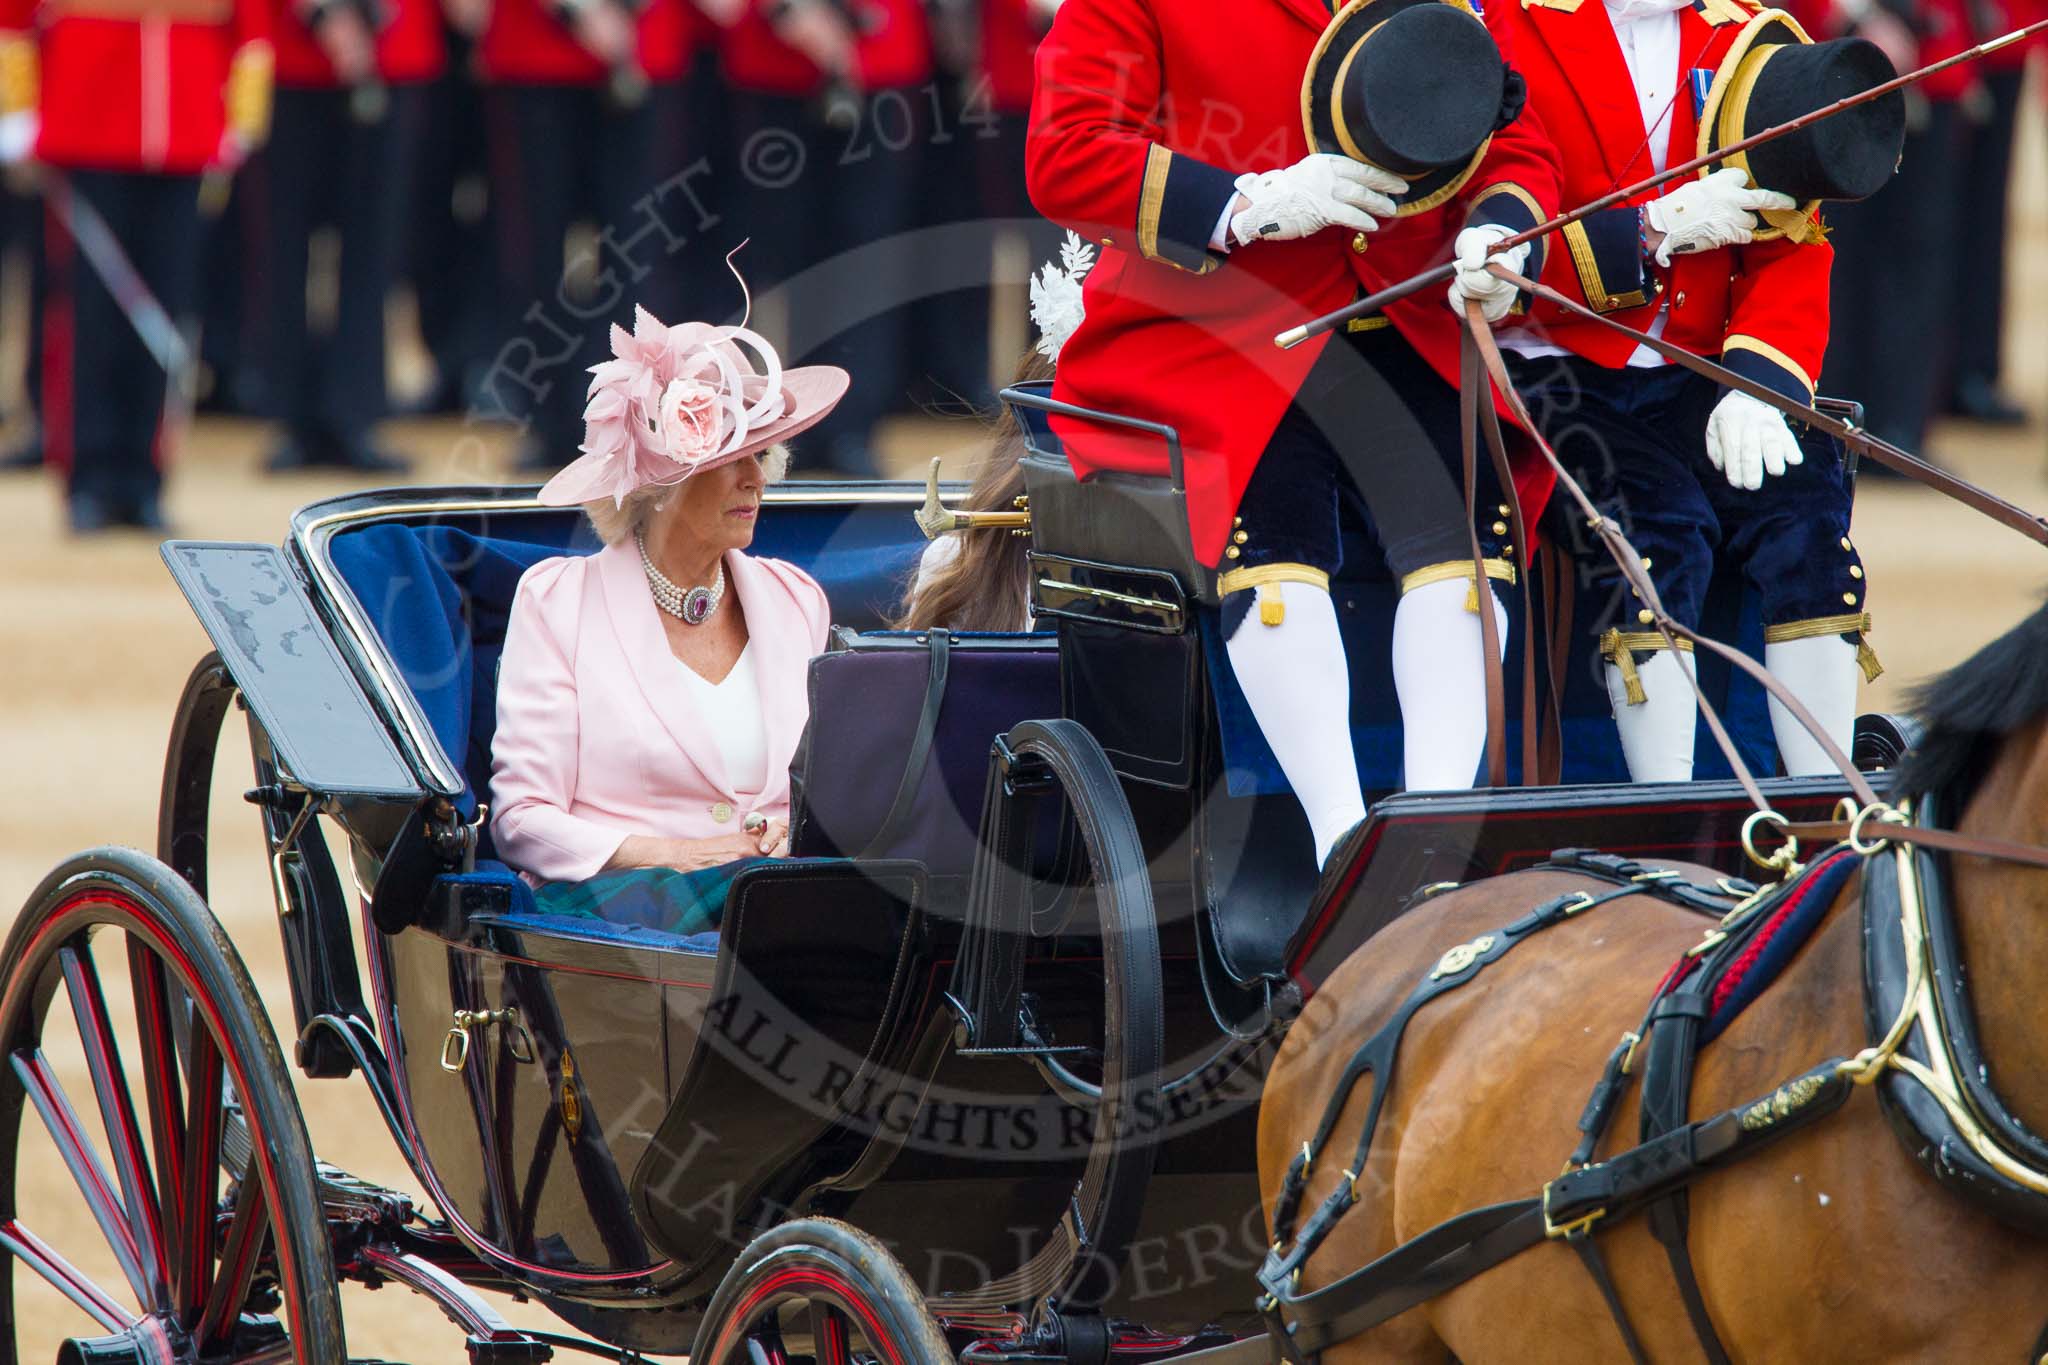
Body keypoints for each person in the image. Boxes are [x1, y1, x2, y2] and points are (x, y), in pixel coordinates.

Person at [1029, 0, 1562, 873]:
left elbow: (1513, 139)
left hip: (1403, 313)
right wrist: (1239, 203)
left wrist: (1500, 230)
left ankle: (1428, 842)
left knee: (1466, 533)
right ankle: (1342, 848)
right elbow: (1067, 153)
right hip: (1214, 329)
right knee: (1268, 526)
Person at [1486, 0, 1897, 778]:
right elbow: (1500, 257)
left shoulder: (1748, 32)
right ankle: (1662, 806)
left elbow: (1792, 239)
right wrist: (1647, 230)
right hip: (1558, 369)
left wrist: (1762, 382)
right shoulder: (1507, 25)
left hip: (1708, 370)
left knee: (1811, 530)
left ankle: (1828, 805)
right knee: (1658, 537)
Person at [489, 302, 849, 931]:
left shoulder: (797, 599)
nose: (754, 480)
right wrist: (681, 856)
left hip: (777, 919)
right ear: (659, 486)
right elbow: (521, 819)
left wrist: (791, 828)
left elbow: (829, 789)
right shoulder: (556, 602)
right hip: (622, 928)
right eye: (731, 457)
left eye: (761, 457)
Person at [0, 0, 273, 531]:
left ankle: (144, 478)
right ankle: (88, 476)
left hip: (189, 121)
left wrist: (242, 116)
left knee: (165, 319)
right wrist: (17, 109)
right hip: (86, 120)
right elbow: (14, 18)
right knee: (87, 314)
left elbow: (252, 25)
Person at [261, 0, 444, 472]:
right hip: (295, 53)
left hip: (390, 46)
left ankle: (356, 410)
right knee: (285, 247)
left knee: (372, 246)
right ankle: (293, 414)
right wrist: (324, 13)